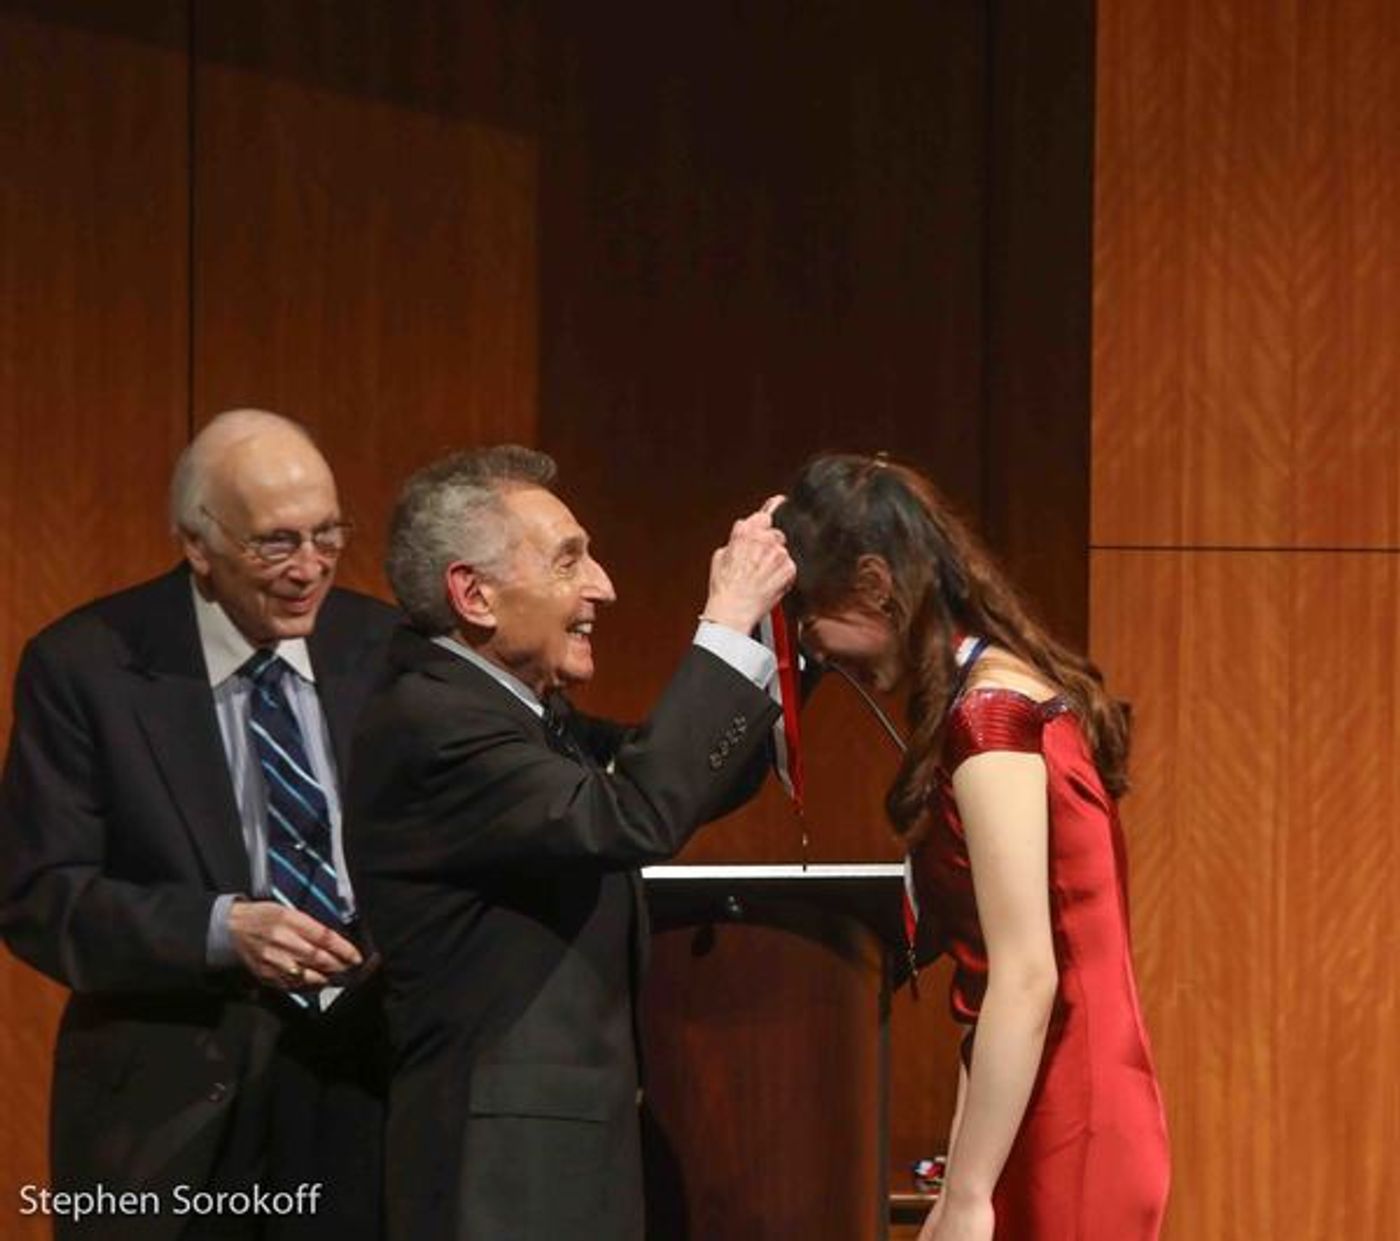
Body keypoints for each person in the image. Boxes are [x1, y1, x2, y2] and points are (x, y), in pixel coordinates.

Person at [344, 445, 794, 1240]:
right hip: (499, 1177)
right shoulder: (436, 720)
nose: (603, 586)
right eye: (568, 560)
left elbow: (683, 778)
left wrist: (792, 640)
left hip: (554, 1161)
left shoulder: (516, 712)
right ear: (473, 594)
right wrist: (724, 621)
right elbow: (634, 814)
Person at [0, 410, 398, 1240]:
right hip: (173, 1103)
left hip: (367, 1084)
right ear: (197, 543)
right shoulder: (85, 666)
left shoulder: (384, 645)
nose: (310, 568)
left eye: (328, 534)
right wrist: (222, 929)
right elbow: (41, 896)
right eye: (276, 543)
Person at [775, 453, 1170, 1241]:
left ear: (875, 583)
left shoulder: (989, 717)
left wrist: (966, 1196)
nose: (816, 651)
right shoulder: (990, 694)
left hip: (1071, 1116)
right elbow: (995, 986)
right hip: (1048, 1100)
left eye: (809, 617)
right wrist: (963, 1173)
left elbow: (1026, 975)